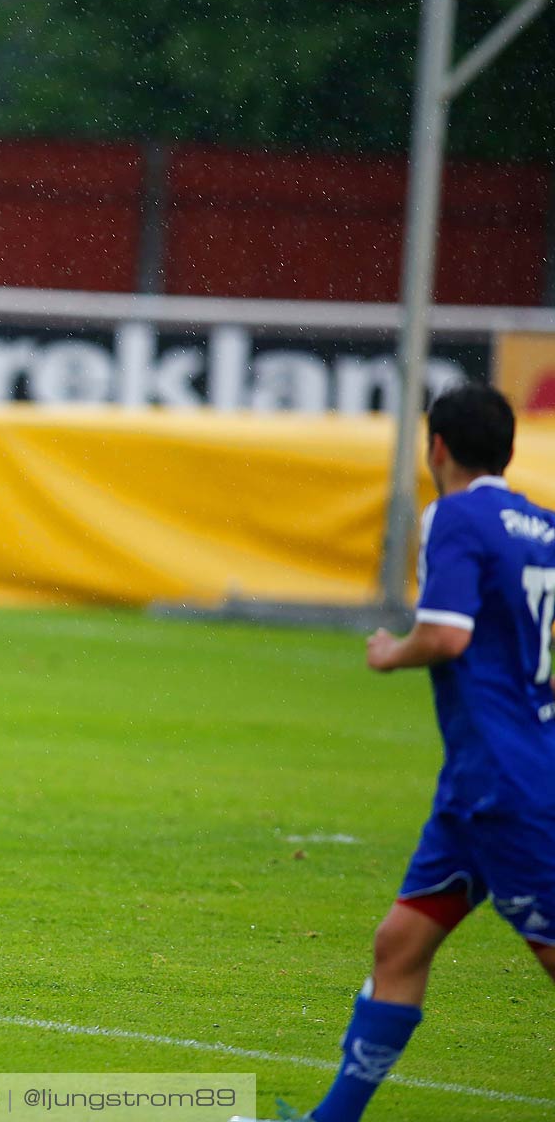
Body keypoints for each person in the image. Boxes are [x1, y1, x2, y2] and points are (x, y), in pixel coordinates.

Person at [235, 383, 555, 1122]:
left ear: (435, 447)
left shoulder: (456, 516)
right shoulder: (541, 527)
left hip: (508, 787)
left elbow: (446, 635)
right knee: (400, 942)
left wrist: (389, 653)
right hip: (480, 783)